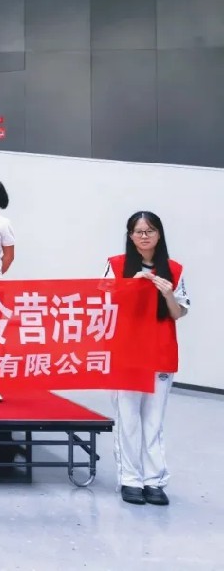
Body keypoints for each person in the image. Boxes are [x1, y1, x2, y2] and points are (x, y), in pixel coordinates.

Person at [105, 211, 189, 506]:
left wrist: (167, 294)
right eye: (138, 231)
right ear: (130, 236)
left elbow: (178, 313)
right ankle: (130, 479)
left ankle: (154, 480)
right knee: (128, 419)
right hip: (126, 354)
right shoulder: (116, 265)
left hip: (160, 352)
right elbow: (103, 305)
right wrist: (131, 285)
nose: (144, 236)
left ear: (159, 234)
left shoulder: (174, 269)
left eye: (150, 231)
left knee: (153, 422)